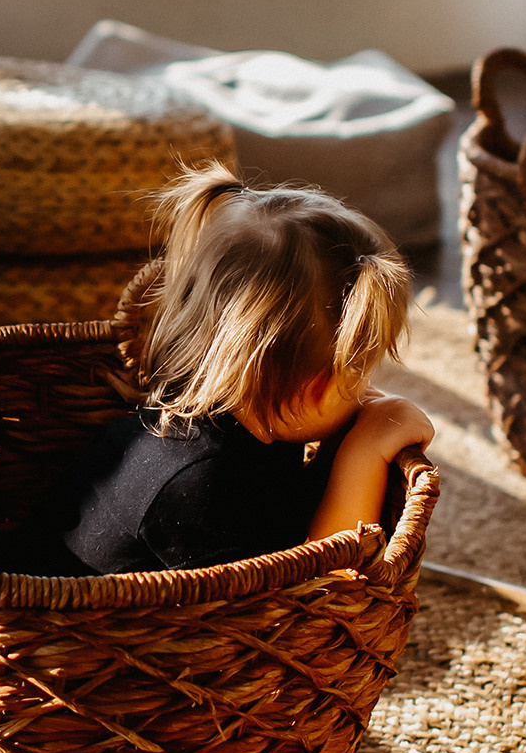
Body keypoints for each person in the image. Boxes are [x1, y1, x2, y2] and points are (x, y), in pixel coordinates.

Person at [23, 163, 434, 576]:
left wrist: (338, 449)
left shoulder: (242, 417)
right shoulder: (199, 484)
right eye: (359, 371)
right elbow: (306, 606)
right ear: (317, 387)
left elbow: (291, 525)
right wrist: (363, 453)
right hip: (61, 634)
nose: (366, 387)